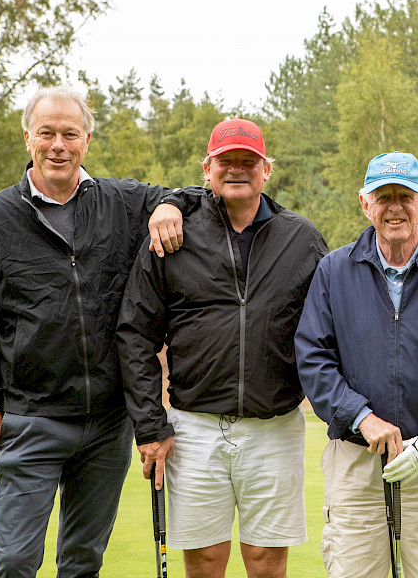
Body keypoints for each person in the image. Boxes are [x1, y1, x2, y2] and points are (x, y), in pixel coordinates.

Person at [0, 85, 193, 578]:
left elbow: (191, 194)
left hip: (107, 423)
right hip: (31, 416)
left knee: (83, 562)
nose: (58, 145)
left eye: (69, 134)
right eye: (47, 133)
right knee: (15, 560)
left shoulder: (123, 203)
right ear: (28, 139)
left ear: (86, 140)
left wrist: (169, 207)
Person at [116, 118, 329, 578]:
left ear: (266, 169)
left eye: (248, 162)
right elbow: (135, 333)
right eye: (225, 161)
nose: (237, 170)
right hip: (193, 427)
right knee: (206, 562)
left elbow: (341, 315)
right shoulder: (172, 234)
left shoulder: (302, 238)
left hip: (274, 427)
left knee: (267, 561)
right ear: (207, 168)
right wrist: (151, 424)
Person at [293, 151, 418, 578]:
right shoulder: (334, 271)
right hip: (355, 459)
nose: (395, 207)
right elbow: (313, 358)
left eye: (405, 196)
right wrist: (362, 418)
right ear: (365, 203)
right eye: (384, 197)